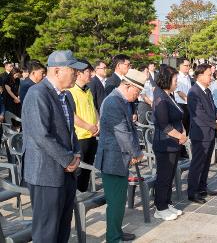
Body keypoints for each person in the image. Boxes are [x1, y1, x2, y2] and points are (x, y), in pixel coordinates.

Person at [22, 50, 85, 243]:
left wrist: (76, 154)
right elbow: (41, 135)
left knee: (62, 229)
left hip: (66, 172)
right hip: (45, 173)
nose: (77, 73)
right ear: (57, 71)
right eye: (73, 69)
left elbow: (70, 130)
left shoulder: (66, 96)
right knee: (46, 232)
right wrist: (67, 159)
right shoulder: (37, 93)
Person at [94, 69, 146, 243]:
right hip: (112, 158)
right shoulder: (113, 102)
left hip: (120, 157)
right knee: (115, 202)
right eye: (137, 91)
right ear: (128, 85)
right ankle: (113, 237)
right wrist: (137, 153)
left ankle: (116, 232)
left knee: (119, 200)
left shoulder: (122, 100)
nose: (138, 96)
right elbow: (122, 132)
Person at [152, 66, 187, 221]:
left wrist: (183, 132)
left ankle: (167, 202)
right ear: (167, 80)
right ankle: (160, 207)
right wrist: (179, 136)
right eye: (175, 79)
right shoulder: (160, 97)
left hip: (175, 142)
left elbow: (178, 117)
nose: (177, 82)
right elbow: (164, 125)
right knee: (164, 176)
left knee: (170, 174)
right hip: (165, 143)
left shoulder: (169, 95)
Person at [187, 64, 217, 204]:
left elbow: (213, 108)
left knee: (206, 162)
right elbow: (199, 114)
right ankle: (193, 191)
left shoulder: (207, 91)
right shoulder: (193, 92)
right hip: (200, 133)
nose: (211, 77)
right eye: (209, 74)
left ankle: (202, 187)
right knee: (197, 163)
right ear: (200, 75)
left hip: (210, 131)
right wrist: (215, 124)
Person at [67, 60, 99, 192]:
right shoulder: (71, 91)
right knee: (79, 169)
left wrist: (98, 123)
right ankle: (76, 196)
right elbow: (71, 115)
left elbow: (94, 109)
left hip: (92, 135)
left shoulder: (88, 90)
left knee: (88, 168)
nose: (91, 74)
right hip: (80, 137)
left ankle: (83, 192)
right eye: (88, 72)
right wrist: (88, 127)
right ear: (79, 73)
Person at [174, 60, 192, 159]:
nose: (188, 67)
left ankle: (183, 149)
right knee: (181, 127)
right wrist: (188, 100)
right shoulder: (178, 76)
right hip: (181, 104)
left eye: (189, 65)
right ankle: (179, 151)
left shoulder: (188, 77)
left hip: (187, 104)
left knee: (187, 128)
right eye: (185, 65)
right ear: (180, 66)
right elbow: (179, 92)